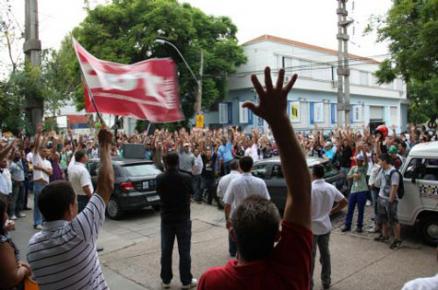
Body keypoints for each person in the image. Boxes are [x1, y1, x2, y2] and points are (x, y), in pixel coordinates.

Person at [199, 67, 312, 290]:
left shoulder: (212, 281)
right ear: (279, 234)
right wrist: (279, 119)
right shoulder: (291, 274)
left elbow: (300, 196)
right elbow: (301, 195)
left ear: (232, 232)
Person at [27, 128, 114, 290]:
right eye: (74, 202)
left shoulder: (33, 246)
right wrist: (105, 145)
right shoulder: (79, 231)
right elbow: (107, 184)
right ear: (69, 209)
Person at [156, 152, 197, 289]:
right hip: (183, 218)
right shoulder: (186, 177)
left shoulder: (160, 178)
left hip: (167, 219)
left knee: (166, 250)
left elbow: (159, 192)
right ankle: (186, 281)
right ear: (178, 162)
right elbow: (192, 192)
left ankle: (166, 280)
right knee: (184, 251)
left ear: (166, 163)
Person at [223, 156, 270, 257]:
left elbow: (227, 204)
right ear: (252, 166)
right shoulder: (260, 182)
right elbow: (267, 202)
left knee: (241, 246)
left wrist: (228, 220)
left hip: (240, 217)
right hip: (256, 217)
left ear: (239, 166)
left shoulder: (235, 182)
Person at [310, 164, 348, 290]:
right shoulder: (330, 187)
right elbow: (344, 202)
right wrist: (332, 211)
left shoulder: (310, 188)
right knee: (325, 255)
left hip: (312, 227)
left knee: (311, 257)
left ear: (314, 174)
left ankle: (309, 282)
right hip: (325, 226)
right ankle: (326, 280)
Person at [0, 197, 32, 290]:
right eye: (5, 212)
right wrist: (24, 270)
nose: (6, 215)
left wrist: (5, 230)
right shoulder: (2, 246)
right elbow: (12, 278)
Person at [374, 153, 403, 249]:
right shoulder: (382, 170)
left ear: (385, 161)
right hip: (381, 197)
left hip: (389, 200)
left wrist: (391, 200)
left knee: (393, 220)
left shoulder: (393, 172)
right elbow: (378, 183)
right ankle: (385, 235)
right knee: (383, 218)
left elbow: (394, 187)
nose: (379, 163)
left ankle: (397, 239)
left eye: (380, 161)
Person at [32, 126, 53, 230]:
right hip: (38, 184)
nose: (45, 152)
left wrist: (41, 168)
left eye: (46, 151)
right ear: (39, 151)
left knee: (44, 204)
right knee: (38, 204)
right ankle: (37, 222)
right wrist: (39, 133)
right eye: (43, 150)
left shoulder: (48, 162)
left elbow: (50, 173)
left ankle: (43, 221)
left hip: (46, 184)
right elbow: (36, 145)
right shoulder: (36, 156)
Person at [342, 152, 369, 233]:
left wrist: (363, 151)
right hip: (354, 190)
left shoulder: (364, 168)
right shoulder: (353, 168)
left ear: (362, 161)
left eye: (359, 160)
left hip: (362, 190)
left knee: (361, 209)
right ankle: (347, 225)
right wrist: (353, 176)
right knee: (350, 208)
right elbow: (347, 177)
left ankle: (359, 226)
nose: (357, 161)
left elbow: (367, 161)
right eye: (357, 160)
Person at [9, 152, 26, 220]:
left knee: (21, 198)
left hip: (22, 182)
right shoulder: (12, 164)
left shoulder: (20, 162)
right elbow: (9, 173)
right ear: (14, 156)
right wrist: (14, 180)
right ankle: (12, 213)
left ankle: (18, 212)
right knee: (14, 199)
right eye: (17, 154)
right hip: (16, 183)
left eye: (19, 154)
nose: (19, 155)